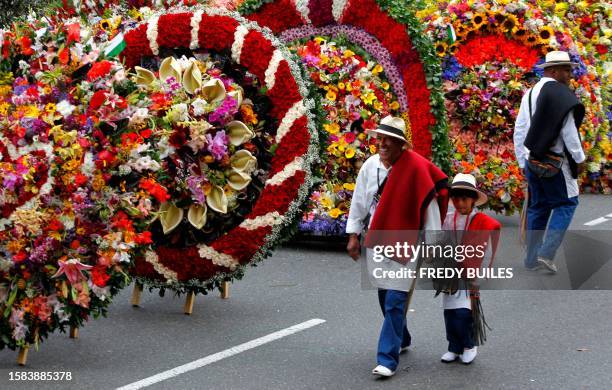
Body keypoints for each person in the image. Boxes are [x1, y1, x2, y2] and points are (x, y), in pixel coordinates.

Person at [346, 115, 448, 377]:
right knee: (384, 294)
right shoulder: (370, 166)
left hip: (407, 242)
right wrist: (353, 235)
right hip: (378, 238)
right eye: (380, 138)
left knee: (394, 300)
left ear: (401, 144)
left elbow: (431, 211)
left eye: (389, 140)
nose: (382, 144)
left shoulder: (416, 169)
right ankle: (401, 336)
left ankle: (387, 360)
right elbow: (359, 201)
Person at [513, 51, 586, 273]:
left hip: (532, 160)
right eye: (566, 70)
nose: (570, 74)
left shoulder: (530, 93)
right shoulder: (559, 94)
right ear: (552, 71)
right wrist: (580, 158)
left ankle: (532, 259)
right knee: (567, 203)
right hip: (555, 163)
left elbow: (520, 129)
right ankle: (547, 252)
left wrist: (523, 161)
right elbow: (568, 131)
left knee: (539, 207)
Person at [437, 173, 501, 365]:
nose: (459, 203)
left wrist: (478, 276)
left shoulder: (481, 222)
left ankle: (469, 345)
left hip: (468, 273)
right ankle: (454, 346)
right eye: (455, 199)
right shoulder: (448, 218)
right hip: (450, 273)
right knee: (449, 312)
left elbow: (485, 251)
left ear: (473, 200)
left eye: (464, 199)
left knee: (463, 313)